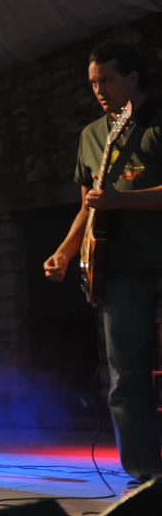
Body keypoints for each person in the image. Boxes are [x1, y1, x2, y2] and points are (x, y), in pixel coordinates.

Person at [45, 42, 162, 486]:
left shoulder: (157, 120)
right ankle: (145, 475)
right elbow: (88, 207)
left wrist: (120, 201)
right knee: (126, 376)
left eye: (107, 80)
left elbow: (110, 200)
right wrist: (64, 251)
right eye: (93, 83)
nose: (99, 90)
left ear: (133, 77)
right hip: (120, 271)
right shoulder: (92, 135)